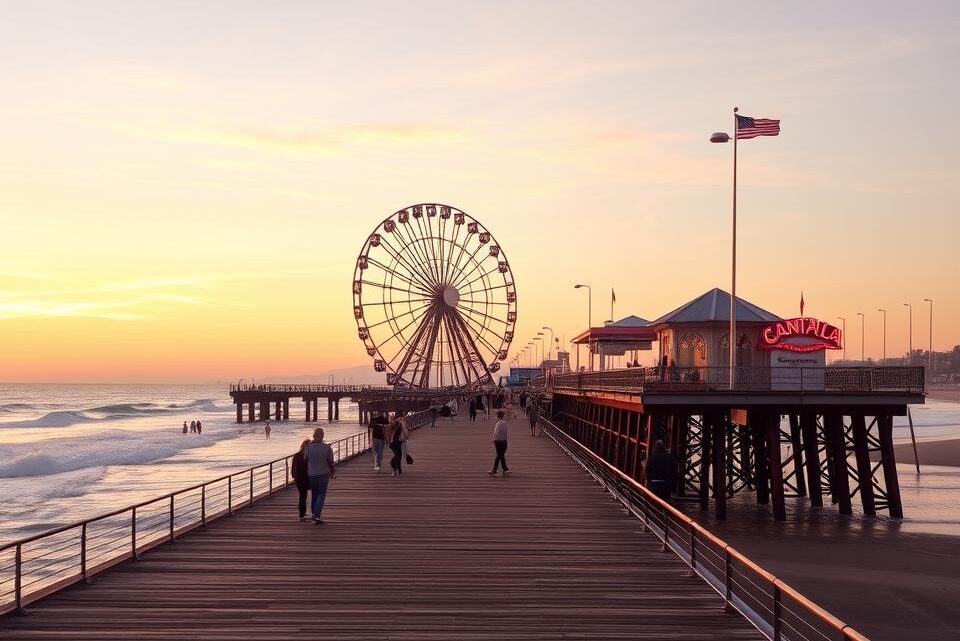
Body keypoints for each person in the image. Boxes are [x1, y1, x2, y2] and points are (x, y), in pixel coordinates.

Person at [304, 428, 336, 523]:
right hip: (323, 473)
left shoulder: (309, 447)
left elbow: (306, 459)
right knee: (321, 494)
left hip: (312, 473)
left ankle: (314, 513)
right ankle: (317, 514)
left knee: (314, 493)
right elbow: (331, 461)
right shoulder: (327, 448)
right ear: (322, 436)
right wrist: (333, 472)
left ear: (314, 436)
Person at [291, 439, 312, 521]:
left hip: (298, 478)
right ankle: (301, 515)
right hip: (306, 478)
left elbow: (293, 467)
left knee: (302, 495)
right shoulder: (309, 456)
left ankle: (302, 513)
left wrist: (293, 476)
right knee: (303, 496)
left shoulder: (296, 455)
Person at [489, 410, 509, 476]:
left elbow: (495, 432)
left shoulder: (497, 423)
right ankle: (504, 468)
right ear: (503, 416)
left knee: (499, 455)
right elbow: (506, 432)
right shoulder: (505, 423)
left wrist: (492, 439)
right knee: (500, 455)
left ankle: (495, 469)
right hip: (503, 441)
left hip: (497, 441)